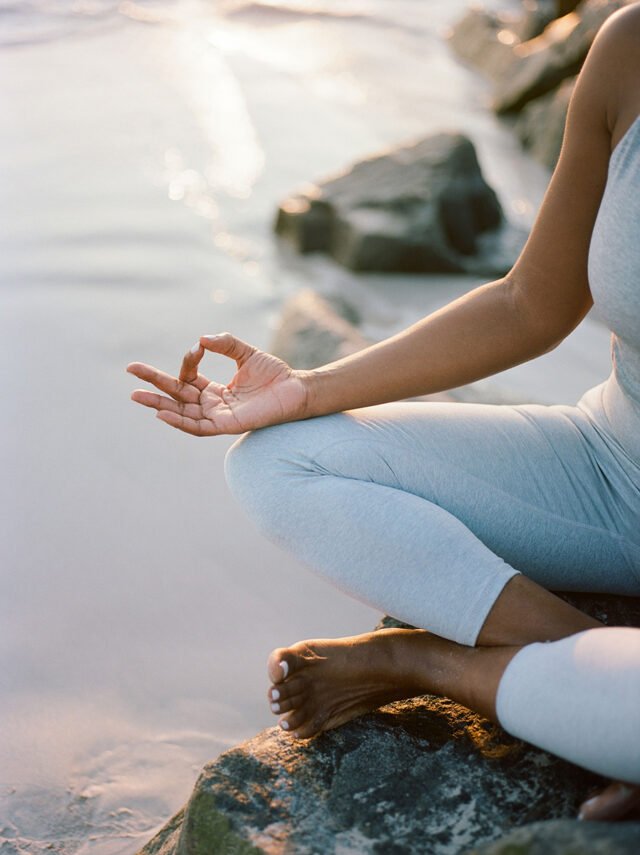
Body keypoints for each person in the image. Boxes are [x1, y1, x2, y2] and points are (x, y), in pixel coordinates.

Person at [127, 3, 640, 821]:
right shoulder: (629, 45)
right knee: (277, 461)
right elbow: (528, 304)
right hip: (610, 464)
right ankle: (579, 661)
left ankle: (433, 666)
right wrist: (308, 390)